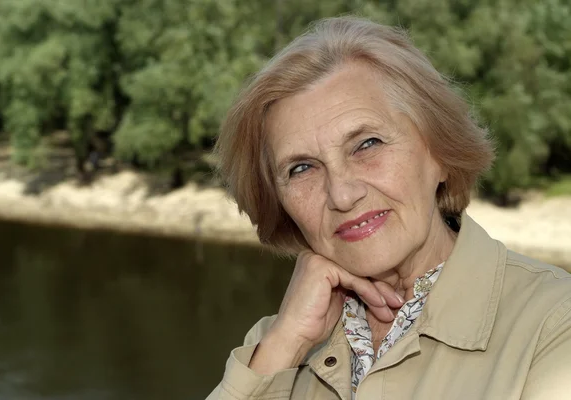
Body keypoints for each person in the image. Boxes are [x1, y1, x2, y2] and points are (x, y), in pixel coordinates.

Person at [207, 17, 571, 400]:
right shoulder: (273, 344)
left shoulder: (554, 323)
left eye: (367, 144)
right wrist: (284, 347)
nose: (342, 195)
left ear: (439, 153)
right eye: (302, 168)